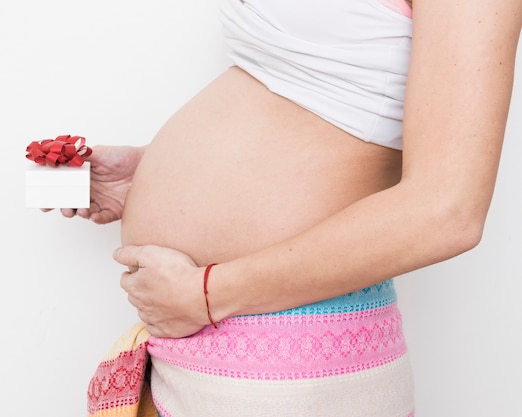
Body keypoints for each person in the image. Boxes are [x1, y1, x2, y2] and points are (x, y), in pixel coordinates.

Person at [51, 0, 521, 415]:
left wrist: (206, 295)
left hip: (293, 360)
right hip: (202, 343)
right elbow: (316, 99)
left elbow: (446, 212)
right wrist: (156, 172)